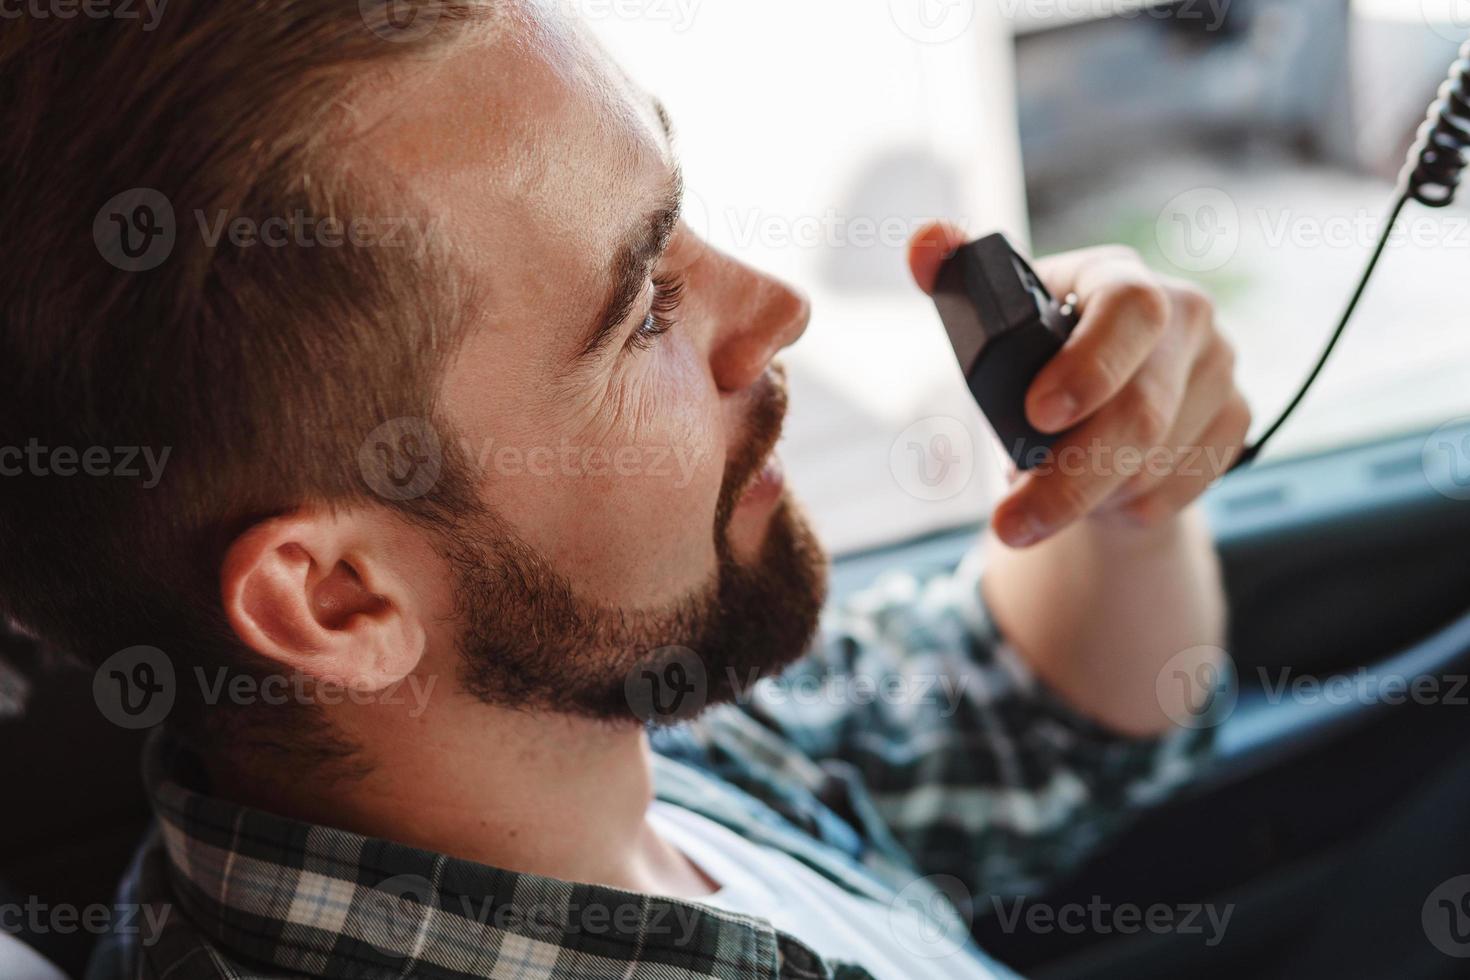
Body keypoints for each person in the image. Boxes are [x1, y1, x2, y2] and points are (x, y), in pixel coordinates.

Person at [0, 3, 1248, 977]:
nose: (775, 309)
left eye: (677, 213)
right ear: (336, 597)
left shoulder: (584, 726)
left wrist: (1122, 484)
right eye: (642, 304)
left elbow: (1024, 726)